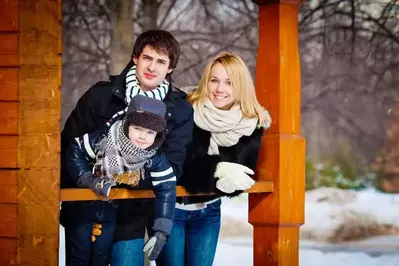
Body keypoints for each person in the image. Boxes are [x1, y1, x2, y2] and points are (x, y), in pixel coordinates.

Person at [60, 29, 194, 266]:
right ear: (135, 58)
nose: (152, 67)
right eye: (147, 58)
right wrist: (84, 186)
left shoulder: (180, 110)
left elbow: (172, 167)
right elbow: (70, 145)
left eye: (161, 61)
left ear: (170, 68)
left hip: (134, 212)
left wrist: (123, 177)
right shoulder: (100, 96)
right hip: (90, 204)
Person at [156, 51, 271, 266]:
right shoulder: (186, 110)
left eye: (229, 83)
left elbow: (242, 175)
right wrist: (217, 170)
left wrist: (228, 180)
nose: (220, 89)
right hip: (172, 209)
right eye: (214, 80)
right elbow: (178, 168)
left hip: (208, 212)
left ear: (241, 86)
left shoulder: (250, 122)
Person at [65, 95, 177, 264]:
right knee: (79, 257)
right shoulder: (104, 139)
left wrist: (162, 230)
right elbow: (75, 149)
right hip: (83, 209)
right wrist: (87, 179)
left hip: (112, 215)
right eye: (138, 128)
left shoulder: (154, 157)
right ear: (127, 125)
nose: (143, 136)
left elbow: (167, 188)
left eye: (150, 132)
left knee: (100, 258)